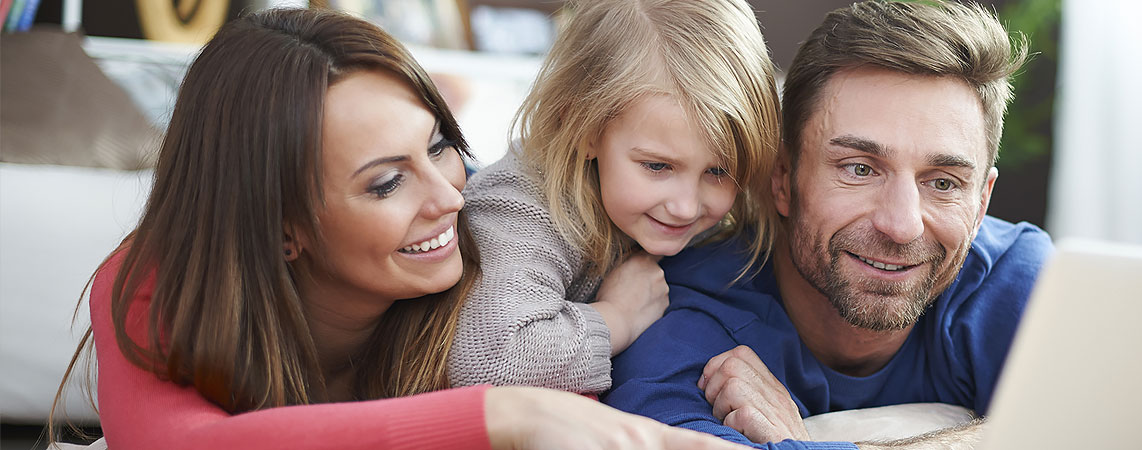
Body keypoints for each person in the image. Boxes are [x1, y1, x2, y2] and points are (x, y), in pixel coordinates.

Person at [48, 9, 737, 450]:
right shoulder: (157, 276)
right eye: (385, 181)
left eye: (440, 147)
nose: (449, 197)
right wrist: (503, 415)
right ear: (282, 227)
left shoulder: (501, 263)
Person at [600, 1, 1051, 448]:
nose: (902, 225)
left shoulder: (1021, 283)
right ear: (782, 179)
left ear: (981, 202)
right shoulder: (684, 312)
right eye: (859, 169)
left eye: (943, 182)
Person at [448, 0, 781, 395]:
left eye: (718, 171)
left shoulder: (682, 216)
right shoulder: (522, 205)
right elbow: (489, 360)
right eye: (657, 167)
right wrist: (617, 317)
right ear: (582, 127)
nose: (686, 206)